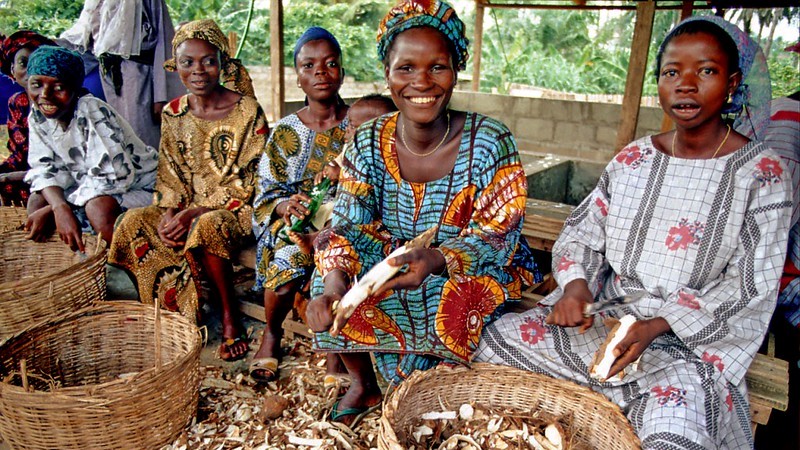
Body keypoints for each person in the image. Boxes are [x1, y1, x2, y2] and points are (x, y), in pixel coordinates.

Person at [475, 16, 792, 449]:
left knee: (676, 432)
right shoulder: (633, 160)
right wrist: (576, 289)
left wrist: (657, 325)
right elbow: (585, 232)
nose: (685, 84)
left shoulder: (763, 174)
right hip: (605, 319)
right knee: (496, 342)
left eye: (706, 71)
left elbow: (749, 286)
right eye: (671, 72)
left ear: (733, 82)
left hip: (684, 344)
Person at [304, 0, 539, 427]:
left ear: (456, 69)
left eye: (438, 67)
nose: (422, 82)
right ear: (388, 74)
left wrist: (434, 260)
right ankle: (365, 381)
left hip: (468, 265)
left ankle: (432, 395)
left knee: (446, 298)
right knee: (327, 274)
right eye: (406, 68)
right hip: (392, 261)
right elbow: (348, 225)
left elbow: (497, 237)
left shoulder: (490, 140)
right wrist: (337, 286)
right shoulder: (369, 139)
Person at [108, 20, 267, 362]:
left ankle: (229, 319)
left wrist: (195, 213)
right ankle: (173, 312)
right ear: (175, 66)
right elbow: (169, 172)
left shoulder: (247, 111)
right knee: (132, 222)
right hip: (184, 206)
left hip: (236, 208)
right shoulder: (173, 113)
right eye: (187, 62)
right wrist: (169, 214)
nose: (198, 71)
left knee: (208, 227)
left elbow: (252, 181)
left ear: (223, 63)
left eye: (208, 60)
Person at [249, 27, 350, 384]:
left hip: (350, 221)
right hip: (300, 224)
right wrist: (284, 207)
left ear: (342, 70)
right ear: (298, 77)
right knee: (288, 264)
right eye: (309, 66)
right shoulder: (285, 131)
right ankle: (272, 333)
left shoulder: (361, 124)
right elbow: (265, 193)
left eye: (330, 64)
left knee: (343, 263)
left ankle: (340, 356)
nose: (320, 72)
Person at [23, 46, 158, 252]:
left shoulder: (91, 110)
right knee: (37, 200)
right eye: (36, 85)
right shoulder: (38, 115)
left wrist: (58, 208)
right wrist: (58, 207)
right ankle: (69, 265)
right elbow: (44, 169)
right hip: (91, 187)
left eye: (58, 87)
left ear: (75, 89)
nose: (45, 95)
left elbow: (114, 177)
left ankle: (131, 266)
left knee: (98, 208)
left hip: (143, 187)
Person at [59, 0, 184, 149]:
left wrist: (161, 96)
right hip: (108, 77)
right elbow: (83, 37)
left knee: (143, 138)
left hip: (140, 79)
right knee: (115, 138)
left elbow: (164, 41)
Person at [291, 93, 399, 256]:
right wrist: (327, 173)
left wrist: (341, 174)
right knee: (326, 210)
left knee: (340, 214)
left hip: (372, 210)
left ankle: (315, 239)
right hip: (345, 201)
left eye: (353, 126)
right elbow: (337, 164)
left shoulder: (389, 153)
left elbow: (376, 181)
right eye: (348, 125)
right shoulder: (351, 148)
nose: (346, 131)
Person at [0, 31, 55, 206]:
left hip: (58, 175)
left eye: (38, 63)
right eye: (23, 63)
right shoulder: (17, 102)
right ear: (12, 71)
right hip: (26, 170)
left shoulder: (61, 100)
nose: (31, 70)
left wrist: (11, 176)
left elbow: (60, 161)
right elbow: (20, 155)